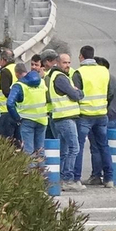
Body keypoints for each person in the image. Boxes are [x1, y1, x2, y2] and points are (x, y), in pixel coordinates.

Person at [43, 48, 84, 189]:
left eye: (69, 62)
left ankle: (59, 179)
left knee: (64, 151)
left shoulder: (55, 76)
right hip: (65, 118)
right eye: (64, 63)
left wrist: (77, 92)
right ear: (57, 63)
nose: (67, 65)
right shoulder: (60, 77)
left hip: (59, 117)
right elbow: (76, 95)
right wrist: (78, 92)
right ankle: (67, 179)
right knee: (74, 149)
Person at [73, 46, 111, 188]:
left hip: (85, 114)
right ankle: (109, 178)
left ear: (81, 56)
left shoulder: (79, 73)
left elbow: (76, 93)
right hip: (101, 113)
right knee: (103, 146)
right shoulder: (104, 71)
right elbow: (109, 91)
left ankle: (76, 178)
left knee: (78, 147)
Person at [6, 56, 50, 157]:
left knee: (28, 151)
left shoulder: (19, 85)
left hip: (27, 120)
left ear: (17, 74)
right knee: (40, 150)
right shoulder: (42, 82)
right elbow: (48, 97)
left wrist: (17, 118)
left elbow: (10, 103)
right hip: (42, 119)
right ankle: (40, 172)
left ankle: (30, 172)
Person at [94, 55, 116, 185]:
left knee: (98, 147)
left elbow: (108, 96)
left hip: (105, 115)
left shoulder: (105, 80)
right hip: (115, 115)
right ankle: (110, 176)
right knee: (108, 147)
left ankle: (97, 175)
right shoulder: (115, 79)